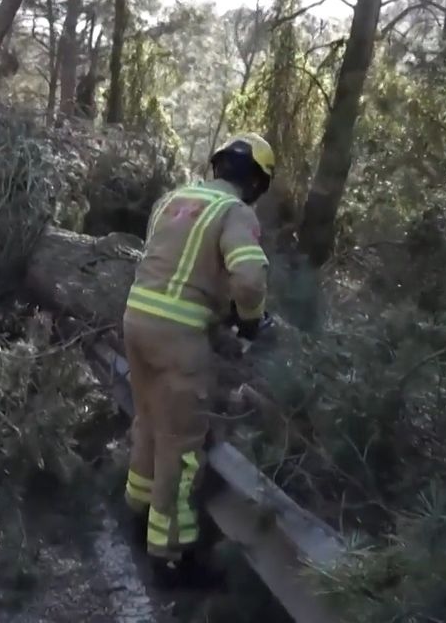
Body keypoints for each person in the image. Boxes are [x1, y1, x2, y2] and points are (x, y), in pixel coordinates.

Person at [122, 133, 275, 588]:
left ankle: (137, 514)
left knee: (149, 423)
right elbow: (249, 278)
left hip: (136, 321)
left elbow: (170, 264)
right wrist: (250, 320)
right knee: (181, 446)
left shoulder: (174, 199)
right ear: (257, 183)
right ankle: (171, 556)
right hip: (177, 339)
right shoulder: (235, 211)